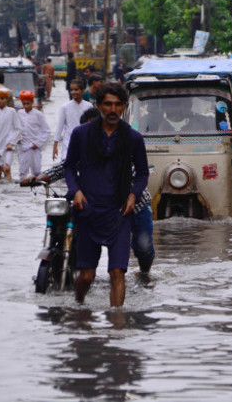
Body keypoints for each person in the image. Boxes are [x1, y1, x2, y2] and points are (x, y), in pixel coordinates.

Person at [35, 106, 156, 276]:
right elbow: (67, 166)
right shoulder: (84, 145)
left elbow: (139, 173)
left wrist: (130, 193)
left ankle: (144, 274)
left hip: (134, 204)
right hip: (99, 204)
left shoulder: (123, 144)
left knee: (143, 247)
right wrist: (40, 177)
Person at [64, 82, 149, 307]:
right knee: (87, 275)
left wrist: (133, 196)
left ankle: (116, 326)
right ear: (99, 105)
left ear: (124, 106)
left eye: (118, 105)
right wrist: (76, 191)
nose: (113, 110)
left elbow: (142, 174)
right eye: (108, 104)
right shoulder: (81, 134)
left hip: (119, 212)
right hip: (88, 210)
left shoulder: (133, 138)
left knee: (117, 273)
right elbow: (69, 167)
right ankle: (79, 308)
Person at [53, 78, 92, 161]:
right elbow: (60, 127)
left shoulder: (89, 106)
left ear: (83, 91)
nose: (73, 92)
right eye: (71, 90)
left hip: (84, 142)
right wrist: (55, 146)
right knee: (67, 165)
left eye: (76, 90)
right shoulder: (65, 107)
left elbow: (92, 127)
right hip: (68, 142)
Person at [16, 91, 49, 180]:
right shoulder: (19, 113)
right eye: (24, 103)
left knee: (37, 171)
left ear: (32, 102)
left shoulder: (39, 115)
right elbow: (16, 129)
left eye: (28, 103)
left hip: (35, 146)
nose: (26, 105)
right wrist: (17, 139)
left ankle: (36, 191)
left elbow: (46, 131)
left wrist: (37, 143)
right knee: (23, 172)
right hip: (23, 146)